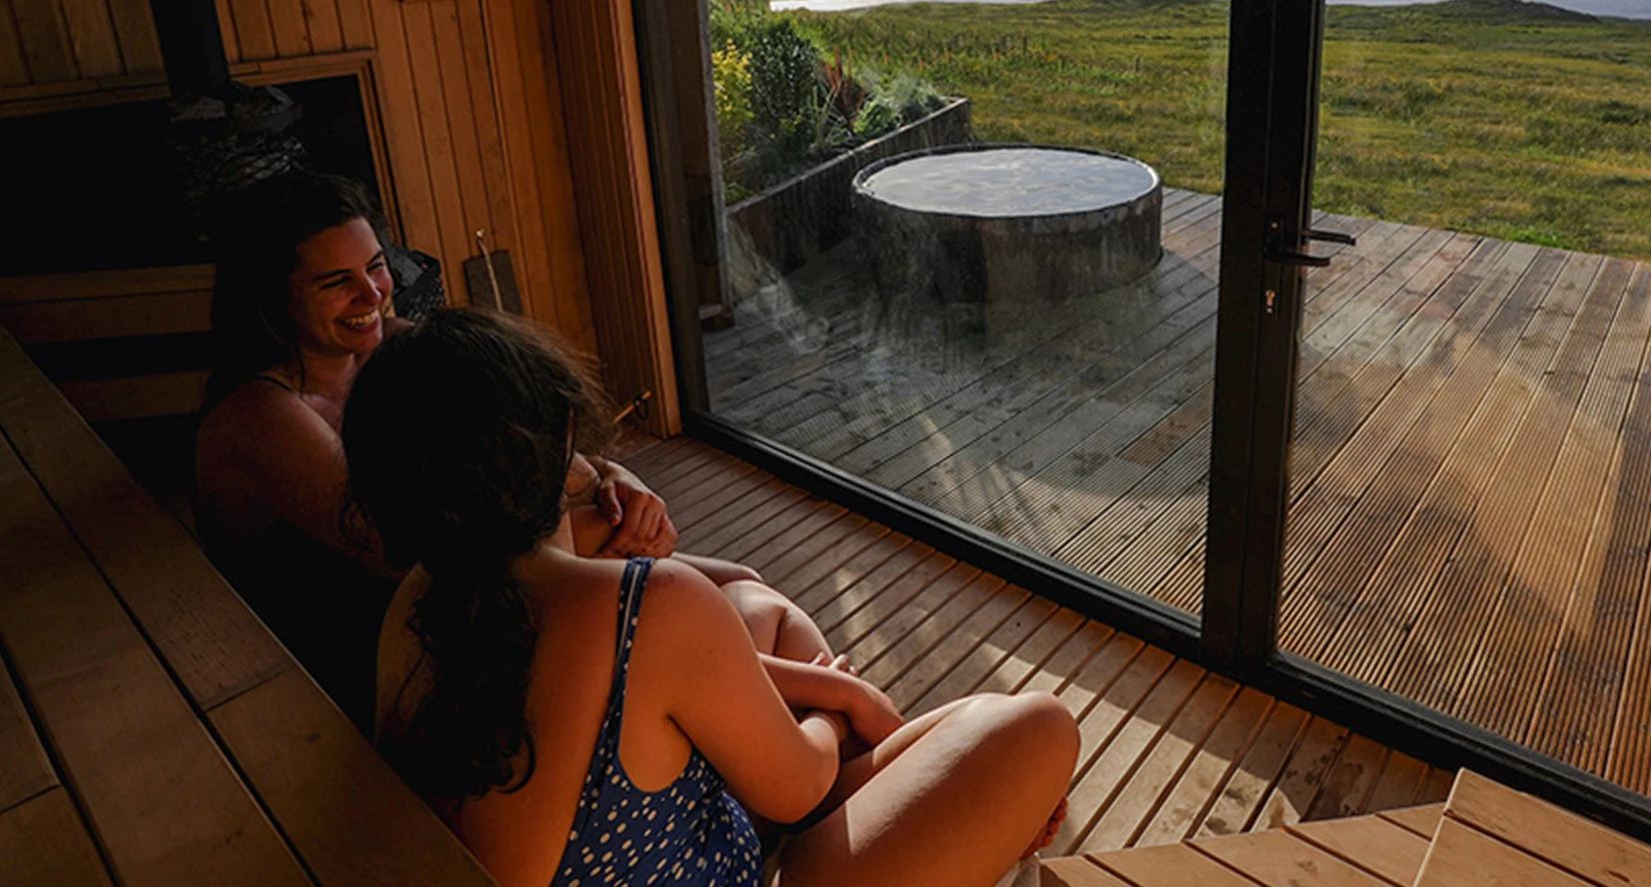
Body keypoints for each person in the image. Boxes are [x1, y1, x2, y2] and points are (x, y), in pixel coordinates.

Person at [345, 307, 1078, 887]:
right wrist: (834, 704)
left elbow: (718, 592)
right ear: (565, 435)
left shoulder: (416, 602)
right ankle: (971, 821)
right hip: (750, 847)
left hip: (650, 848)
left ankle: (962, 812)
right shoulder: (642, 606)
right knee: (1037, 728)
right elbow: (801, 787)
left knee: (764, 614)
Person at [193, 171, 813, 726]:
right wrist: (600, 529)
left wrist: (618, 483)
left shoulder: (396, 350)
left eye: (376, 267)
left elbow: (522, 441)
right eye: (337, 283)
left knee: (742, 586)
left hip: (477, 598)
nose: (373, 294)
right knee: (716, 624)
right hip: (379, 654)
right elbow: (396, 549)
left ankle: (779, 752)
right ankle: (786, 756)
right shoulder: (261, 417)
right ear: (273, 298)